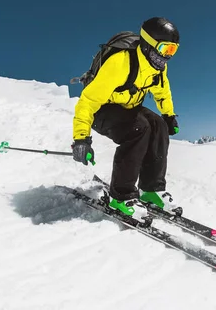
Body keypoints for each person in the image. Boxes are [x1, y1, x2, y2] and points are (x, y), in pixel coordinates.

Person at [71, 17, 181, 221]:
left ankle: (151, 190)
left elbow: (162, 92)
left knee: (157, 125)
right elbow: (88, 101)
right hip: (101, 110)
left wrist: (168, 115)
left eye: (173, 51)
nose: (168, 56)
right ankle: (120, 196)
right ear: (150, 43)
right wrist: (81, 139)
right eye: (166, 49)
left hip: (126, 107)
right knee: (138, 128)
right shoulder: (121, 62)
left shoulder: (157, 68)